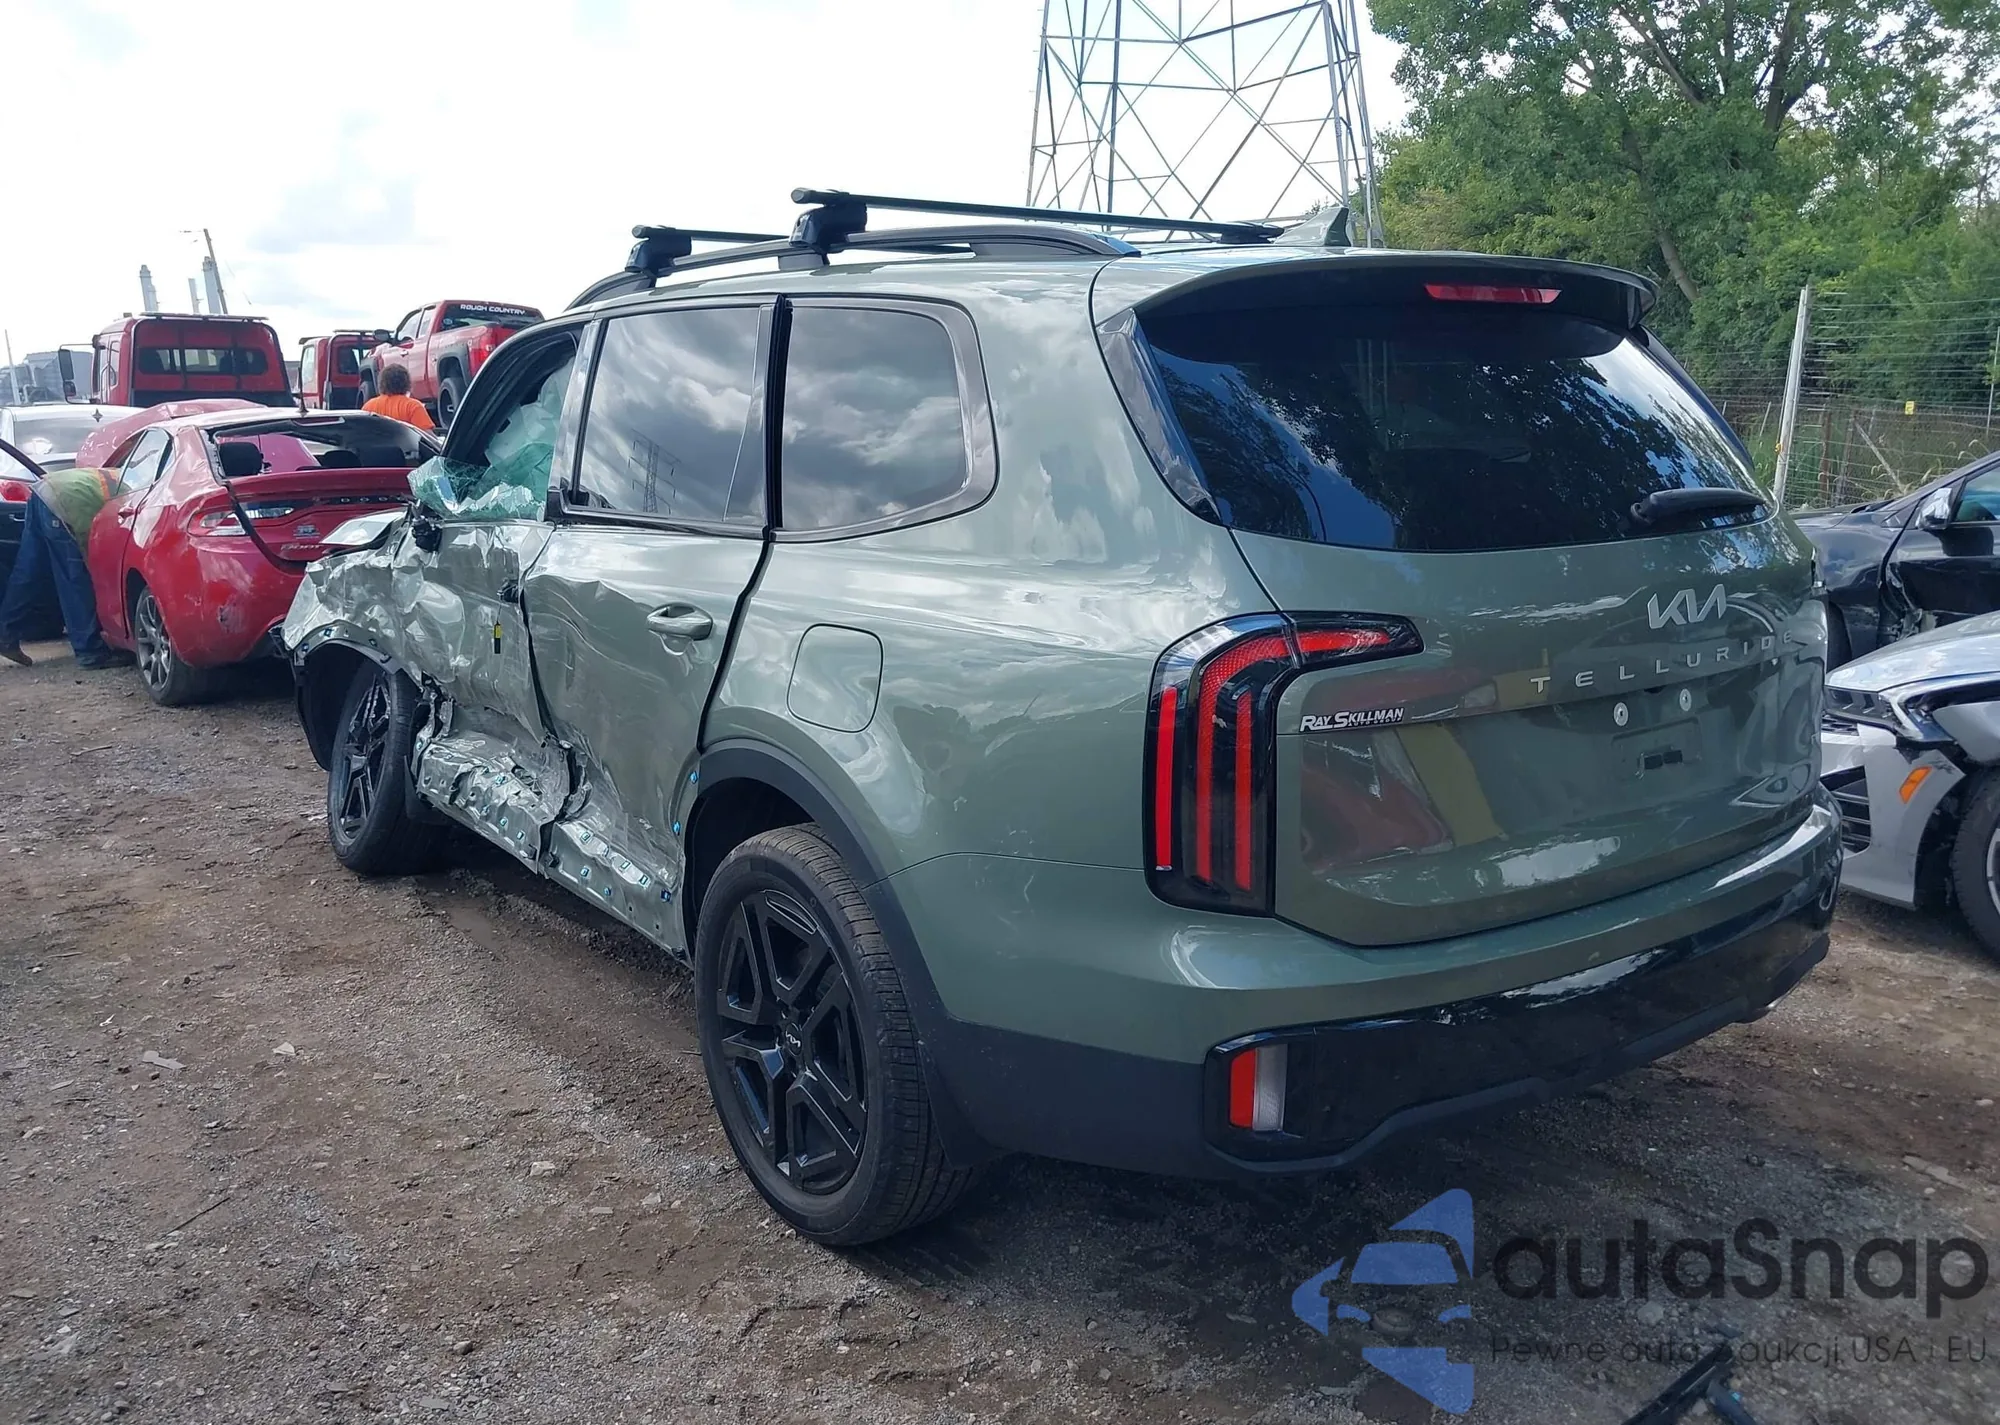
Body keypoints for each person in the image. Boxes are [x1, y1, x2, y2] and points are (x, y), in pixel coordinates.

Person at [0, 466, 132, 670]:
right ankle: (89, 652)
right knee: (74, 580)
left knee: (27, 572)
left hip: (43, 492)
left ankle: (5, 635)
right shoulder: (137, 492)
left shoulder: (122, 474)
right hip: (64, 505)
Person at [362, 364, 435, 431]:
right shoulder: (412, 406)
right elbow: (428, 436)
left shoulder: (368, 406)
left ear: (381, 383)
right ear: (407, 383)